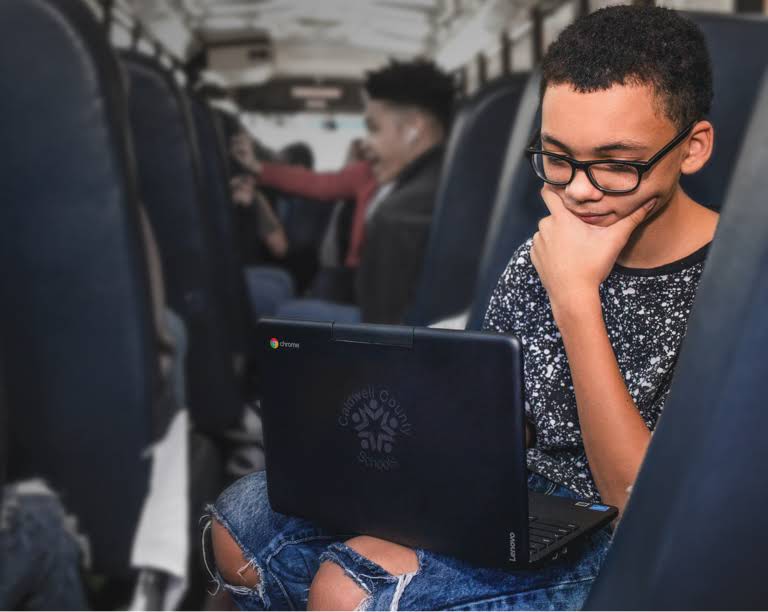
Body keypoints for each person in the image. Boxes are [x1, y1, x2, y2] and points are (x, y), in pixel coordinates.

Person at [203, 5, 719, 609]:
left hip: (616, 531)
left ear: (692, 148)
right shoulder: (543, 249)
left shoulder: (728, 284)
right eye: (557, 157)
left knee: (351, 588)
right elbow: (501, 414)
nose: (579, 189)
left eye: (615, 163)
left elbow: (640, 505)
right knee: (236, 523)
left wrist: (577, 298)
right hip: (514, 494)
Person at [233, 59, 455, 324]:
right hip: (360, 281)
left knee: (284, 327)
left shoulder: (400, 216)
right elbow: (316, 183)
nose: (365, 142)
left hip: (382, 319)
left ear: (413, 129)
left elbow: (387, 334)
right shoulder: (448, 177)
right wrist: (258, 168)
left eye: (373, 128)